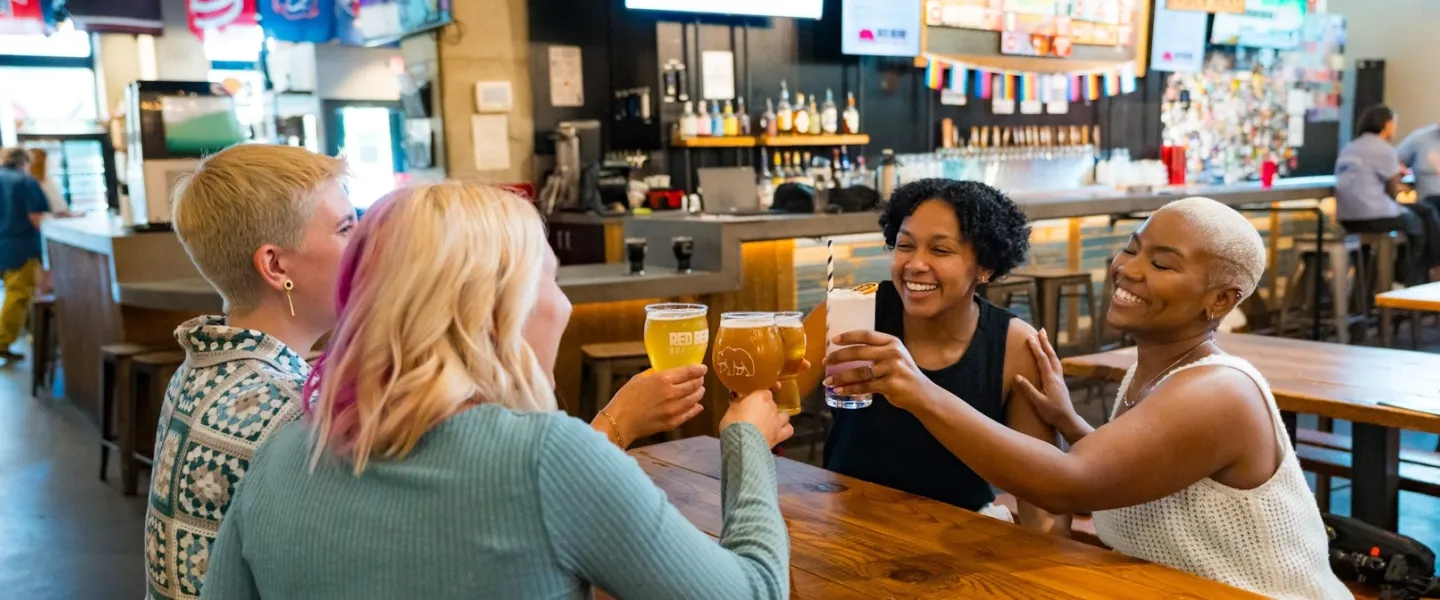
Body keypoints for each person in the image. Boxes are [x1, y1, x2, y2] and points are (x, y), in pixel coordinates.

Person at [145, 149, 709, 599]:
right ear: (275, 266)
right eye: (348, 230)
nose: (369, 248)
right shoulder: (291, 420)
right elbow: (467, 508)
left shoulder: (209, 373)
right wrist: (615, 423)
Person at [825, 197, 1351, 599]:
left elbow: (1068, 488)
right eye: (1132, 248)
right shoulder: (1154, 375)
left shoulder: (1218, 391)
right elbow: (1159, 476)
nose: (1129, 270)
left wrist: (917, 390)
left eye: (1163, 264)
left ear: (1220, 300)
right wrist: (1077, 428)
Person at [804, 179, 1069, 534]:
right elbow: (768, 407)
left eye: (940, 251)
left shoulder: (1014, 348)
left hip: (959, 543)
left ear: (985, 266)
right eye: (905, 246)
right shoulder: (849, 314)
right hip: (846, 530)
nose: (915, 264)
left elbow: (1041, 498)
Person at [1336, 105, 1440, 284]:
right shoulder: (1384, 150)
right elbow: (1392, 190)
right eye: (1394, 124)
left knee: (1424, 213)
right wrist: (1401, 187)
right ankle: (1411, 279)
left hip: (1345, 218)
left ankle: (1399, 279)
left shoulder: (1350, 147)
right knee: (1419, 224)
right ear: (1387, 125)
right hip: (1375, 215)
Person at [0, 147, 58, 362]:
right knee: (19, 295)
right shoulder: (25, 182)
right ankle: (2, 341)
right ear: (24, 162)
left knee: (13, 293)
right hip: (21, 247)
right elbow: (36, 216)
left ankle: (27, 333)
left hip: (3, 245)